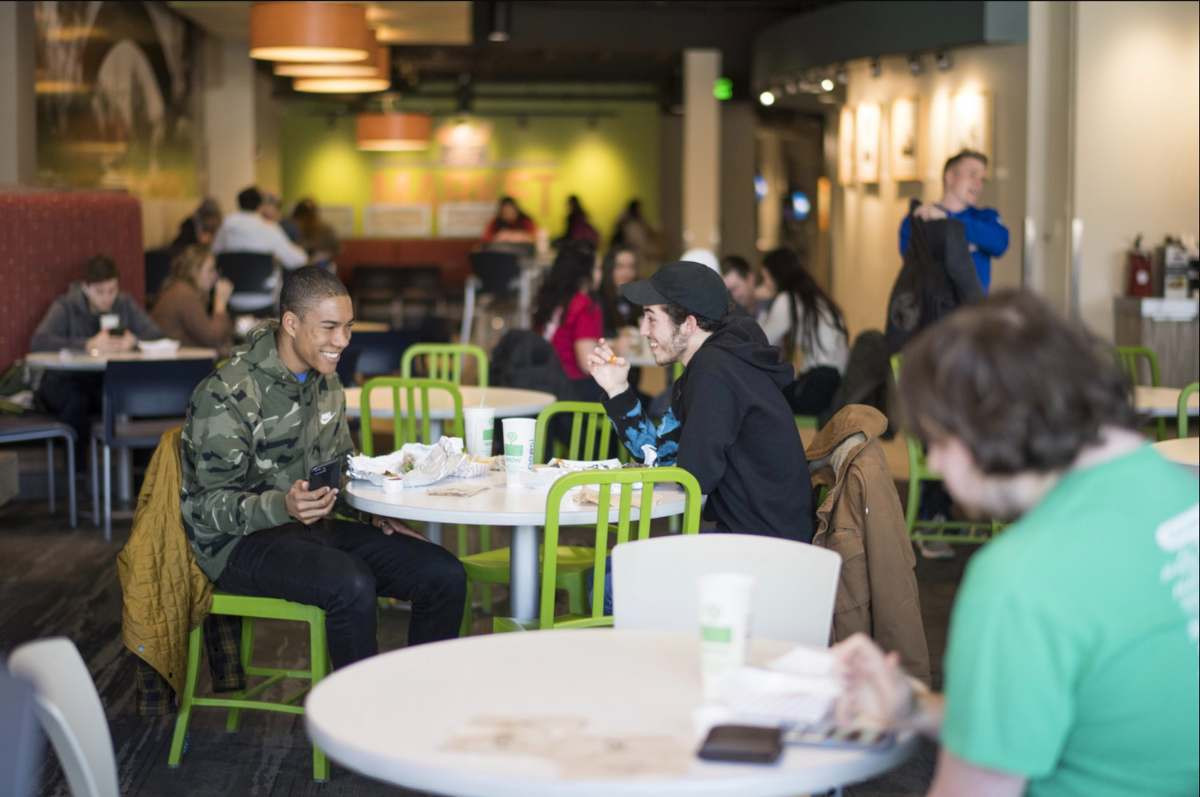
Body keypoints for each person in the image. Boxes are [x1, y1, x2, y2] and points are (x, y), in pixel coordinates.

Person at [833, 290, 1199, 797]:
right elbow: (1056, 715)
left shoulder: (1021, 576)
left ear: (987, 428)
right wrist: (912, 707)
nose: (935, 466)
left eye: (938, 442)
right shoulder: (1182, 493)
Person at [180, 267, 467, 669]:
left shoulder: (327, 383)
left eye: (348, 327)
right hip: (236, 546)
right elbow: (206, 503)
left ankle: (423, 704)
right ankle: (358, 718)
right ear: (292, 323)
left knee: (443, 573)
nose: (343, 341)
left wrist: (374, 512)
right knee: (350, 584)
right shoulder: (227, 391)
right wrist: (284, 506)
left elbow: (341, 470)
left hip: (314, 528)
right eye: (330, 327)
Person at [588, 260, 812, 540]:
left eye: (652, 317)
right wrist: (618, 390)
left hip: (762, 548)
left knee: (618, 575)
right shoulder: (709, 364)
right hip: (751, 534)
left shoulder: (715, 372)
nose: (644, 330)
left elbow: (694, 478)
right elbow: (664, 459)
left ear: (689, 324)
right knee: (619, 569)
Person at [31, 255, 163, 450]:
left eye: (112, 290)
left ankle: (137, 472)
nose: (107, 298)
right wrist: (87, 344)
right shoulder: (66, 306)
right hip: (66, 379)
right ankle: (79, 474)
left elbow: (156, 334)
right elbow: (39, 342)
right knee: (76, 402)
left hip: (104, 380)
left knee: (139, 398)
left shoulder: (123, 304)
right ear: (86, 288)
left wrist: (133, 340)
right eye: (100, 292)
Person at [899, 150, 1008, 292]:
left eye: (982, 179)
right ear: (950, 177)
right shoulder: (921, 217)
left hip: (972, 311)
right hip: (932, 309)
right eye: (972, 175)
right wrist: (969, 243)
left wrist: (947, 220)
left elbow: (999, 243)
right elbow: (918, 259)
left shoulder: (986, 217)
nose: (978, 184)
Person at [758, 248, 849, 416]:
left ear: (776, 276)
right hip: (839, 388)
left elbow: (760, 339)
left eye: (765, 278)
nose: (766, 285)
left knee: (759, 398)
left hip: (817, 389)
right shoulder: (818, 299)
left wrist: (762, 304)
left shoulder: (788, 300)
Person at [532, 241, 604, 402]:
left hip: (542, 385)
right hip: (572, 389)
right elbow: (587, 363)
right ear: (585, 274)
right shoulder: (585, 305)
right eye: (598, 268)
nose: (601, 273)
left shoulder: (550, 301)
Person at [150, 245, 235, 355]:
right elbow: (211, 338)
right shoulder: (183, 294)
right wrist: (220, 304)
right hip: (175, 365)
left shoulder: (183, 290)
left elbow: (206, 339)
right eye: (210, 270)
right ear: (195, 271)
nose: (215, 276)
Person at [211, 186, 307, 270]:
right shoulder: (269, 228)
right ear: (260, 206)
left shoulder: (225, 224)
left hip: (229, 288)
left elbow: (215, 251)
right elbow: (298, 260)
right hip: (262, 289)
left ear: (239, 203)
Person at [596, 246, 640, 338]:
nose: (626, 272)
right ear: (609, 269)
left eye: (631, 267)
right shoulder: (598, 300)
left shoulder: (638, 299)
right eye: (620, 267)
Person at [282, 197, 340, 267]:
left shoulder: (325, 229)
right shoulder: (289, 226)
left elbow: (335, 248)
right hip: (296, 267)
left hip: (318, 268)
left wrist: (314, 259)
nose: (307, 218)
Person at [609, 199, 661, 265]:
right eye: (639, 208)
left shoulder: (639, 220)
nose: (641, 210)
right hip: (627, 249)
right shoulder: (628, 222)